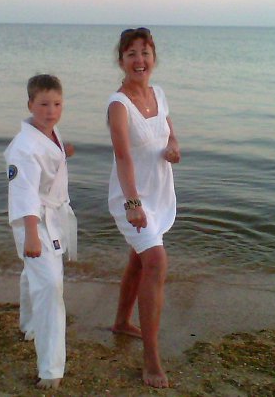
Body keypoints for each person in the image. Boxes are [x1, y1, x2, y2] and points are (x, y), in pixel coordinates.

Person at [107, 27, 181, 388]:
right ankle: (151, 360)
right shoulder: (118, 106)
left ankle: (122, 322)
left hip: (160, 192)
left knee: (138, 260)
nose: (140, 60)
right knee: (155, 261)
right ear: (121, 60)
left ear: (154, 58)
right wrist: (133, 203)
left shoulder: (158, 94)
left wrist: (173, 147)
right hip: (132, 196)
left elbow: (168, 130)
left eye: (145, 52)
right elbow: (123, 157)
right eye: (131, 53)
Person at [4, 73, 77, 390]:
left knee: (33, 274)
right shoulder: (24, 148)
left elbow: (49, 157)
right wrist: (32, 235)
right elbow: (24, 194)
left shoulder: (49, 133)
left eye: (57, 104)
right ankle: (50, 369)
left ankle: (28, 325)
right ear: (30, 104)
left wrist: (63, 152)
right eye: (44, 104)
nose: (51, 111)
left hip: (53, 217)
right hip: (32, 221)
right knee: (49, 286)